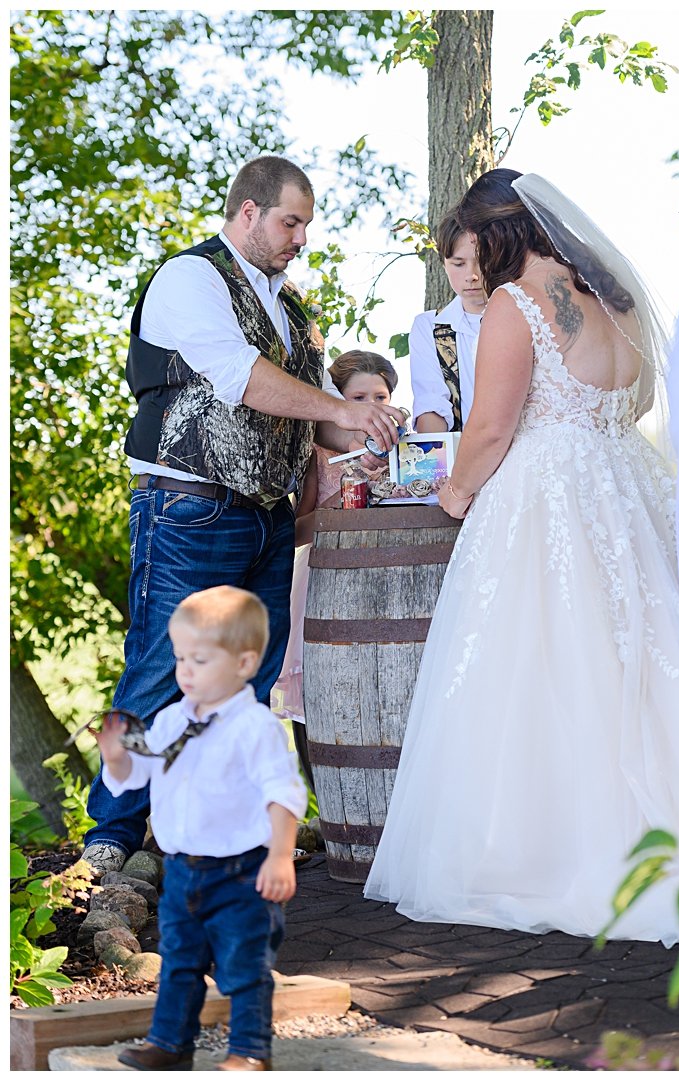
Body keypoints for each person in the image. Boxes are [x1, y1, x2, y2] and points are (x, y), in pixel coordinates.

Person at [363, 169, 679, 945]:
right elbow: (634, 403)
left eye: (473, 243)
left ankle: (546, 850)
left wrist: (455, 494)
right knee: (629, 660)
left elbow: (492, 428)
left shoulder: (517, 304)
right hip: (625, 484)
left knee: (538, 664)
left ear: (499, 233)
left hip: (547, 496)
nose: (470, 262)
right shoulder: (613, 298)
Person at [81, 156, 405, 877]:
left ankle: (219, 835)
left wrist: (378, 432)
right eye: (291, 222)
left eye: (306, 226)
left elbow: (325, 423)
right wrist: (343, 409)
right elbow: (245, 379)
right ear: (249, 213)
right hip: (188, 509)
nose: (300, 239)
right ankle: (110, 840)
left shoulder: (295, 311)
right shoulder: (190, 278)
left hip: (266, 520)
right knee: (164, 669)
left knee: (250, 690)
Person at [99, 586, 306, 1072]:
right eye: (180, 659)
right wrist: (116, 756)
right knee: (178, 962)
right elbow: (140, 775)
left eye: (200, 659)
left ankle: (249, 1051)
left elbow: (283, 793)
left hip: (240, 874)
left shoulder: (253, 727)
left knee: (244, 964)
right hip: (181, 873)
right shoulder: (172, 719)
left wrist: (280, 856)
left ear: (243, 663)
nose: (185, 671)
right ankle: (169, 1043)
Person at [272, 351, 400, 782]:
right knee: (318, 691)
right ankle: (324, 801)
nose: (371, 405)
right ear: (340, 401)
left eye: (380, 395)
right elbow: (294, 530)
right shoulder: (319, 452)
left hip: (392, 580)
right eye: (358, 396)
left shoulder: (409, 448)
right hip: (323, 579)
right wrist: (341, 505)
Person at [408, 211, 485, 432]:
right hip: (461, 455)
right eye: (458, 264)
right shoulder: (429, 327)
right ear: (444, 265)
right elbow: (431, 401)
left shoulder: (522, 317)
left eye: (480, 262)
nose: (472, 275)